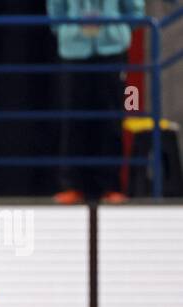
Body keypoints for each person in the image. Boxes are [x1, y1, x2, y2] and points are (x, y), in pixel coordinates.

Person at [48, 0, 145, 203]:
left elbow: (135, 10)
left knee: (112, 118)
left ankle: (111, 185)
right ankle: (71, 184)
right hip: (74, 49)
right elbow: (56, 11)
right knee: (73, 118)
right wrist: (70, 31)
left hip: (112, 49)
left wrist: (118, 32)